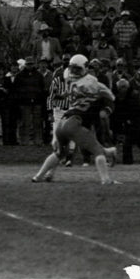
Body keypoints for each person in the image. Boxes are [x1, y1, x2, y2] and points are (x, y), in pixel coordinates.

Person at [31, 54, 118, 184]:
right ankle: (106, 180)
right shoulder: (92, 82)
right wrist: (106, 106)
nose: (75, 71)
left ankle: (38, 176)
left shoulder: (68, 76)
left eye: (77, 69)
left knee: (60, 153)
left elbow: (73, 88)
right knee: (97, 151)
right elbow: (110, 97)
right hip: (75, 121)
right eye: (75, 69)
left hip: (63, 122)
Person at [14, 56, 47, 146]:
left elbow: (42, 88)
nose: (30, 66)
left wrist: (40, 99)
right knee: (25, 122)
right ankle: (24, 141)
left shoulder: (39, 75)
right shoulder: (19, 76)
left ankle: (38, 141)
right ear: (25, 65)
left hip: (37, 102)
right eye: (28, 64)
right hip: (25, 102)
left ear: (34, 64)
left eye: (31, 64)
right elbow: (16, 90)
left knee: (37, 123)